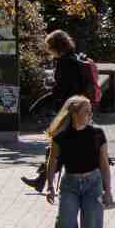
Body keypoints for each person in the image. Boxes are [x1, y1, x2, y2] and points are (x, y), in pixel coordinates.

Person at [44, 94, 112, 228]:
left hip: (93, 183)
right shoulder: (61, 136)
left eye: (91, 110)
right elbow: (53, 161)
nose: (90, 114)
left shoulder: (98, 134)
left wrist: (108, 191)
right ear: (74, 113)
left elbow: (104, 164)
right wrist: (50, 186)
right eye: (86, 111)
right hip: (70, 184)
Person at [23, 30, 92, 192]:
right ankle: (41, 180)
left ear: (56, 47)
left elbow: (59, 92)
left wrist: (39, 104)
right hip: (80, 109)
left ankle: (41, 180)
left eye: (50, 48)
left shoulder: (64, 63)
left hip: (69, 111)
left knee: (58, 147)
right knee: (61, 147)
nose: (50, 52)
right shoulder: (76, 59)